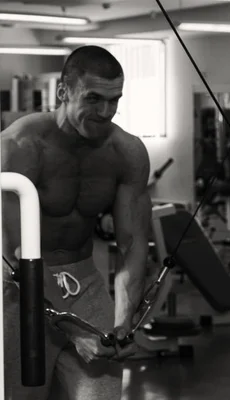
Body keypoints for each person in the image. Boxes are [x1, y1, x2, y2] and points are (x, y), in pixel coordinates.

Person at [1, 45, 151, 399]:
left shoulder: (126, 152)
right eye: (94, 98)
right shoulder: (20, 146)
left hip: (83, 284)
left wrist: (122, 323)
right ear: (63, 91)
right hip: (18, 290)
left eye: (115, 100)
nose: (106, 112)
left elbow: (132, 243)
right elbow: (12, 250)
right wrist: (71, 330)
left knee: (100, 393)